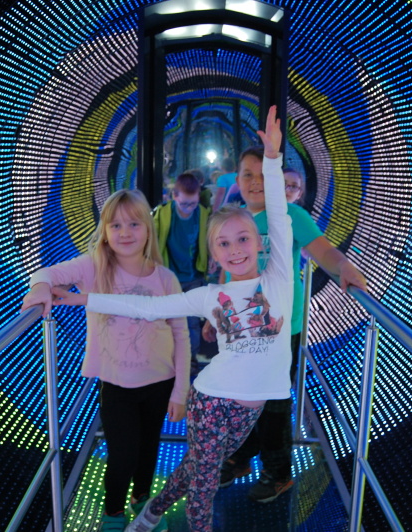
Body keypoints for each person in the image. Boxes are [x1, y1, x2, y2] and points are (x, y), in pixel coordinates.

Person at [50, 106, 291, 532]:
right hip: (212, 401)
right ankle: (166, 520)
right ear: (214, 254)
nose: (234, 249)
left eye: (242, 239)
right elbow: (146, 308)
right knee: (203, 489)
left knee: (196, 467)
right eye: (223, 244)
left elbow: (279, 213)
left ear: (260, 243)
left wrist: (272, 160)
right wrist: (85, 298)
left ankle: (153, 509)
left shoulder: (279, 278)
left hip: (250, 410)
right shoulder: (207, 295)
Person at [20, 189, 190, 532]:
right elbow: (45, 273)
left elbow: (181, 335)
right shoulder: (94, 267)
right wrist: (39, 289)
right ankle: (113, 513)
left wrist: (180, 391)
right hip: (116, 385)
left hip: (160, 382)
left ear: (148, 229)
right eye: (115, 225)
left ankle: (142, 502)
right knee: (122, 455)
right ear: (105, 231)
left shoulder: (165, 279)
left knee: (148, 449)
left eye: (134, 224)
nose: (125, 232)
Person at [207, 143, 368, 505]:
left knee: (273, 403)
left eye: (263, 174)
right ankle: (240, 456)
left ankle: (278, 473)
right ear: (238, 180)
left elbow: (323, 250)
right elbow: (227, 269)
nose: (255, 182)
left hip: (279, 328)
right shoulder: (236, 218)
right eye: (247, 174)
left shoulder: (291, 215)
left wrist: (343, 267)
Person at [153, 172, 211, 375]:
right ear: (174, 196)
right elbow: (153, 240)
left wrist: (211, 260)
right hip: (169, 277)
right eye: (184, 204)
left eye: (193, 203)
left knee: (192, 324)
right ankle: (169, 359)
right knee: (168, 321)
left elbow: (208, 240)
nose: (189, 208)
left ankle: (189, 360)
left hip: (194, 276)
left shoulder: (202, 214)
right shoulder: (163, 214)